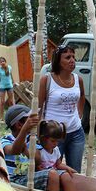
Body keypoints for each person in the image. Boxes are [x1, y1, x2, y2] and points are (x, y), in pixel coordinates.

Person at [38, 45, 86, 173]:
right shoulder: (47, 80)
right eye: (67, 57)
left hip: (76, 132)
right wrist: (38, 129)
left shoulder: (78, 79)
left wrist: (79, 113)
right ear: (58, 61)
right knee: (52, 170)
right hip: (53, 134)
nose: (72, 60)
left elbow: (82, 96)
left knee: (74, 171)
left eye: (74, 57)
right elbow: (39, 105)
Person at [2, 105, 61, 191]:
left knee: (65, 176)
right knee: (52, 175)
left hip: (29, 177)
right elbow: (15, 150)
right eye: (29, 121)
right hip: (14, 180)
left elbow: (38, 160)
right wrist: (24, 130)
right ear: (19, 125)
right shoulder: (5, 140)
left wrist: (26, 150)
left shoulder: (31, 138)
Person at [36, 120, 78, 191]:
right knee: (53, 176)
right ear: (43, 138)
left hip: (54, 172)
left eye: (57, 141)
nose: (55, 144)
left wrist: (68, 168)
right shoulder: (39, 151)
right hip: (45, 175)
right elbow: (38, 168)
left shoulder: (55, 149)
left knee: (66, 176)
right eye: (53, 141)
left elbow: (58, 164)